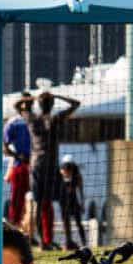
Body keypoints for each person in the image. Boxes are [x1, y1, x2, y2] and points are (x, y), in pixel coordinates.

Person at [27, 89, 79, 249]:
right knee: (63, 201)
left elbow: (17, 106)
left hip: (36, 165)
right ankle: (67, 240)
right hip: (50, 166)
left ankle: (43, 242)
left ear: (39, 104)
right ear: (52, 104)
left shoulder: (32, 119)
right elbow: (76, 104)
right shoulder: (55, 119)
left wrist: (34, 97)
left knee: (39, 203)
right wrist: (57, 95)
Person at [2, 94, 33, 232]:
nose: (27, 105)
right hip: (20, 165)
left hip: (35, 165)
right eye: (24, 102)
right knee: (17, 200)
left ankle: (30, 231)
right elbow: (4, 147)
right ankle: (14, 229)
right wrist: (17, 156)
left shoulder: (36, 120)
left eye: (29, 102)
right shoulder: (13, 123)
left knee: (34, 201)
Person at [57, 156, 86, 250]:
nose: (67, 170)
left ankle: (84, 242)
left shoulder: (77, 175)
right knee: (66, 224)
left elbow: (80, 190)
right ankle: (68, 242)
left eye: (69, 168)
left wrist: (82, 203)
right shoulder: (59, 175)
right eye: (65, 168)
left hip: (74, 202)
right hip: (63, 203)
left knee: (79, 223)